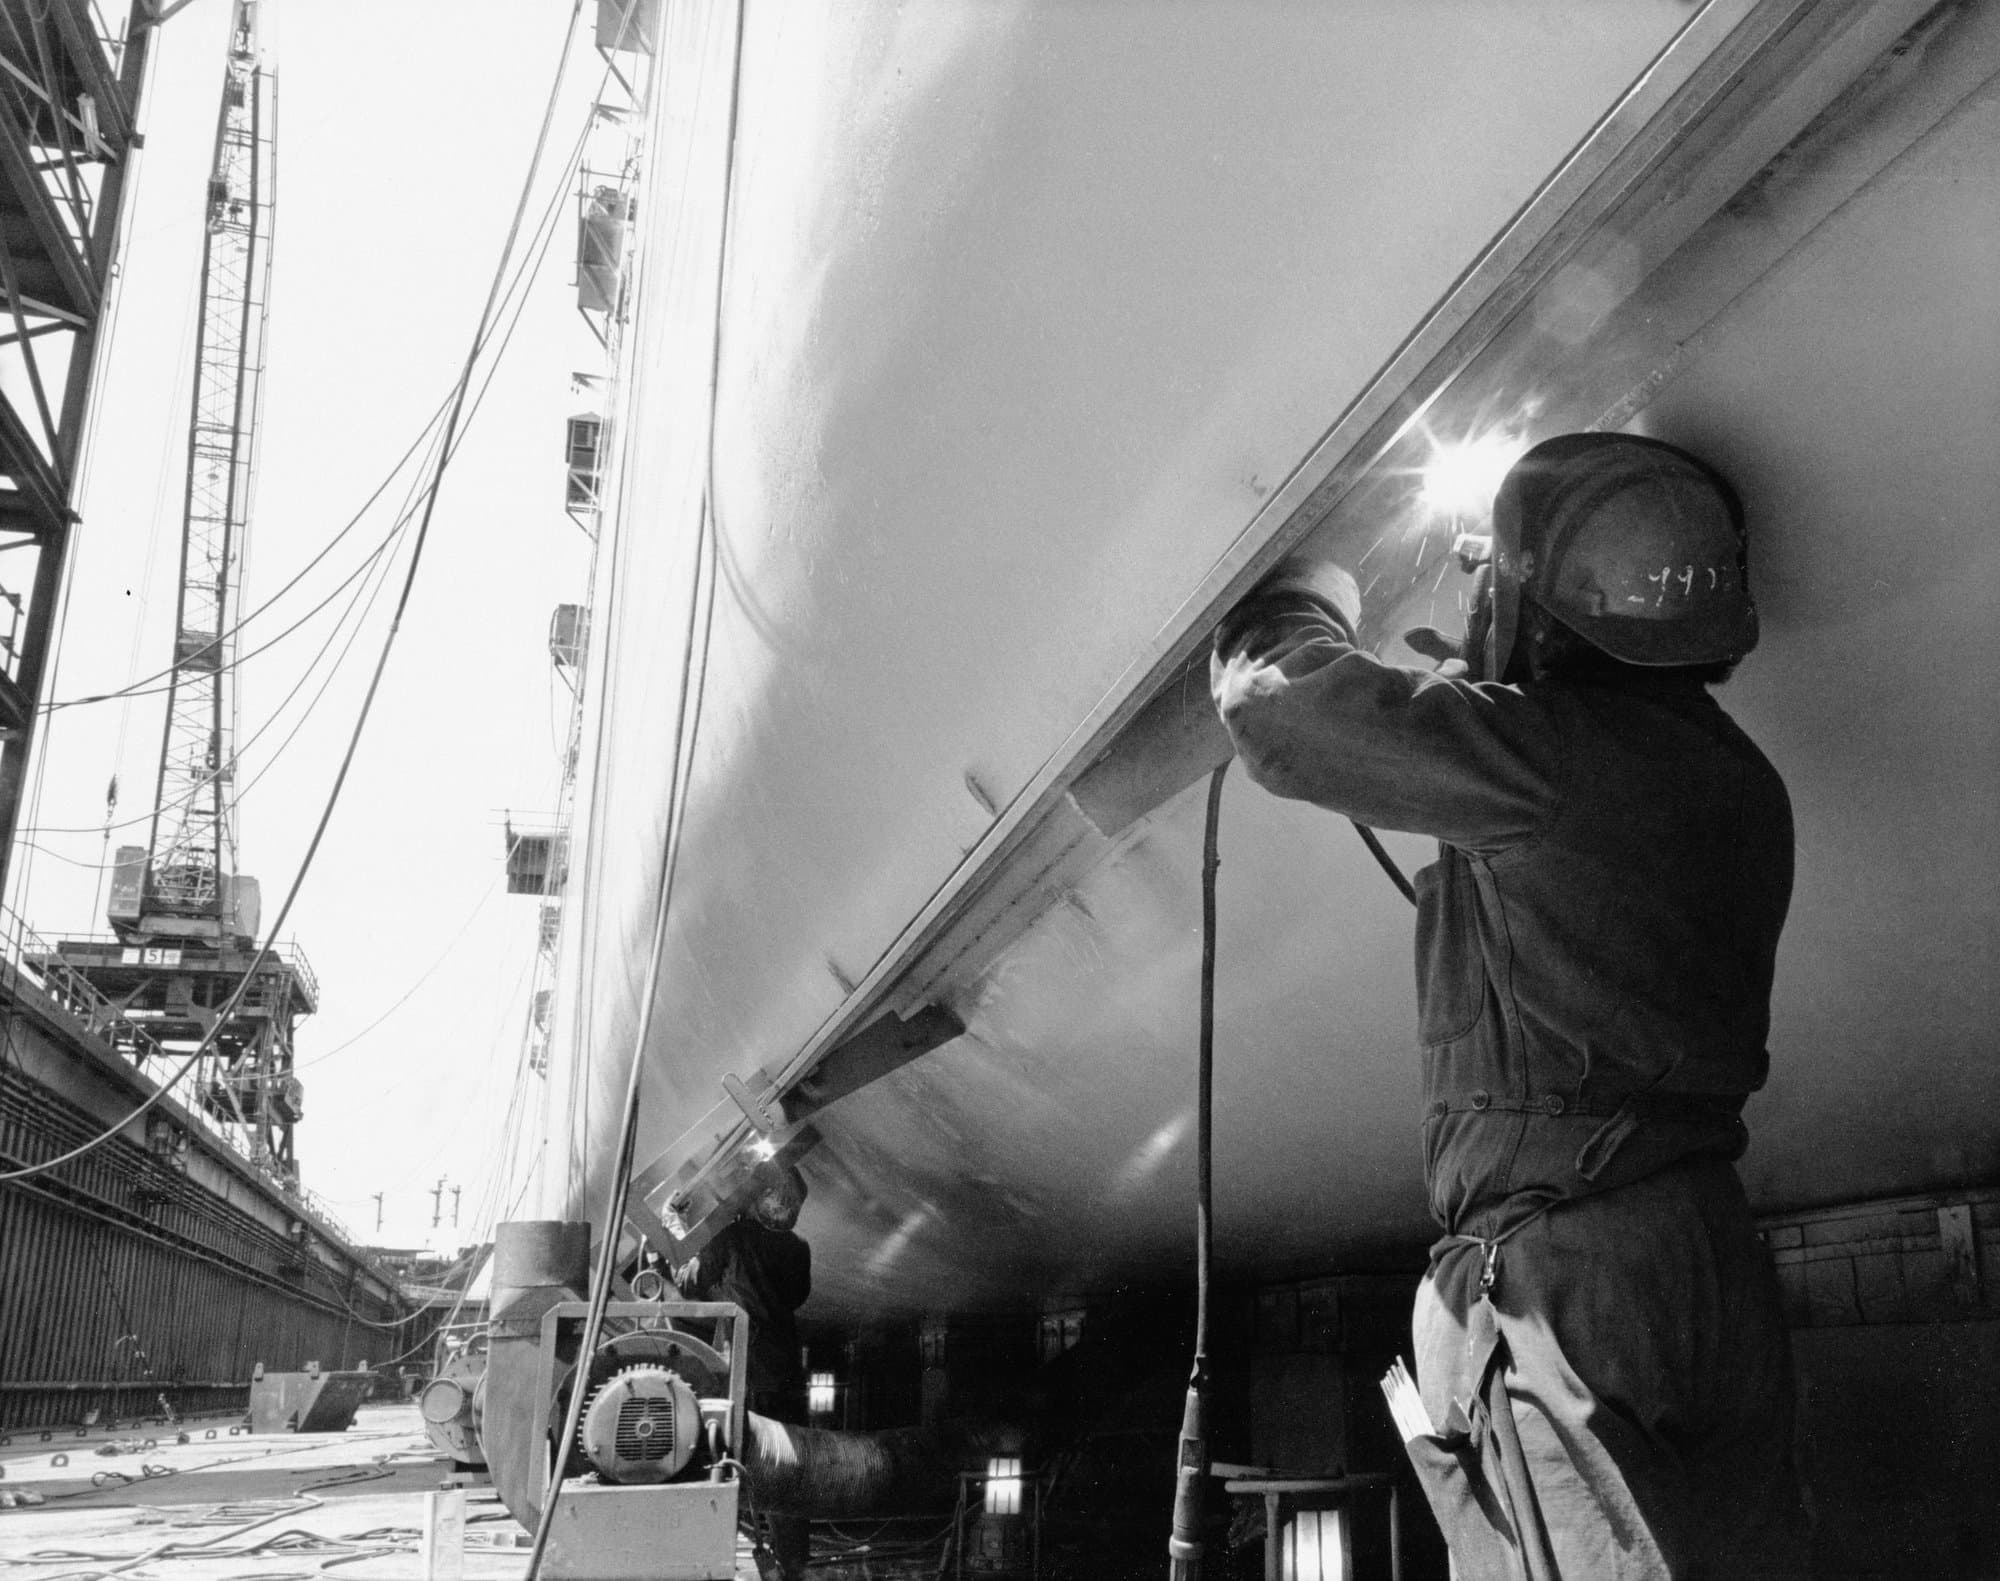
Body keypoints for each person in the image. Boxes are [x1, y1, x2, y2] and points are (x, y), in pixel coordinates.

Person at [1209, 433, 1807, 1578]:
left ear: (1544, 609)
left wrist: (1316, 586)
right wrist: (1480, 705)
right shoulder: (1743, 783)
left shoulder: (1536, 760)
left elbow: (1278, 716)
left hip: (1568, 1279)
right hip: (1702, 1260)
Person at [675, 1161, 813, 1578]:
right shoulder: (798, 1248)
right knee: (789, 1466)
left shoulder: (732, 1238)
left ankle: (715, 1559)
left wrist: (675, 1260)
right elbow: (798, 1296)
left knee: (729, 1459)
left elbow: (690, 1285)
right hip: (786, 1368)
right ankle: (793, 1564)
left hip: (743, 1372)